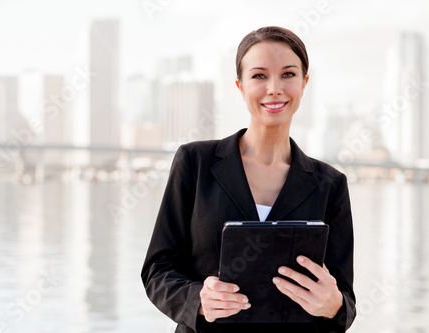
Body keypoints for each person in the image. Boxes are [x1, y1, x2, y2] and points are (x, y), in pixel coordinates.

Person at [141, 26, 355, 333]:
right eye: (259, 76)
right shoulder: (195, 163)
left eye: (288, 74)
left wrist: (333, 304)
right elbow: (157, 270)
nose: (274, 88)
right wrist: (198, 300)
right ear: (240, 86)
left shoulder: (330, 184)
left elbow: (344, 300)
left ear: (304, 83)